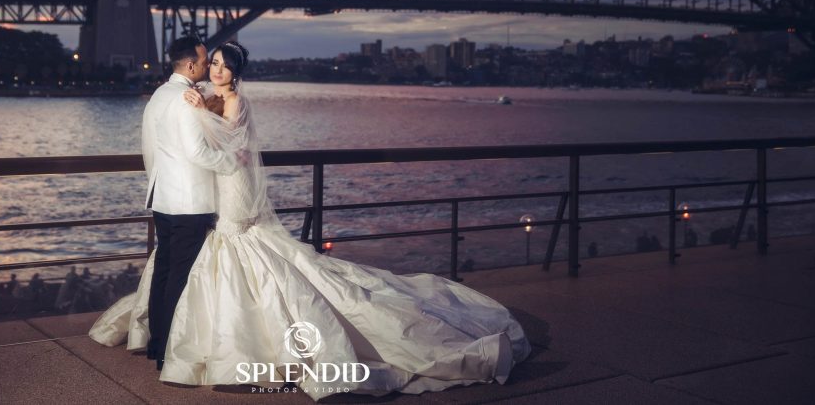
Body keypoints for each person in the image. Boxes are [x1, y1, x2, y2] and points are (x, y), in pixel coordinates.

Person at [90, 41, 531, 400]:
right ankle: (188, 340)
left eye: (222, 65)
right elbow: (200, 138)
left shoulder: (222, 100)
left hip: (224, 185)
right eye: (213, 62)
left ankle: (203, 343)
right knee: (205, 259)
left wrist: (202, 111)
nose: (215, 69)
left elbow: (230, 148)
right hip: (204, 189)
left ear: (235, 73)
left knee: (225, 250)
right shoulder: (199, 96)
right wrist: (201, 107)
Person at [137, 35, 240, 370]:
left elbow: (149, 147)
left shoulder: (159, 95)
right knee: (180, 277)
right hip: (189, 202)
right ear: (192, 65)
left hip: (163, 198)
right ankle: (168, 352)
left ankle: (156, 343)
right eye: (206, 61)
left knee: (164, 272)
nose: (209, 66)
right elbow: (197, 152)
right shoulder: (186, 99)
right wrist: (231, 163)